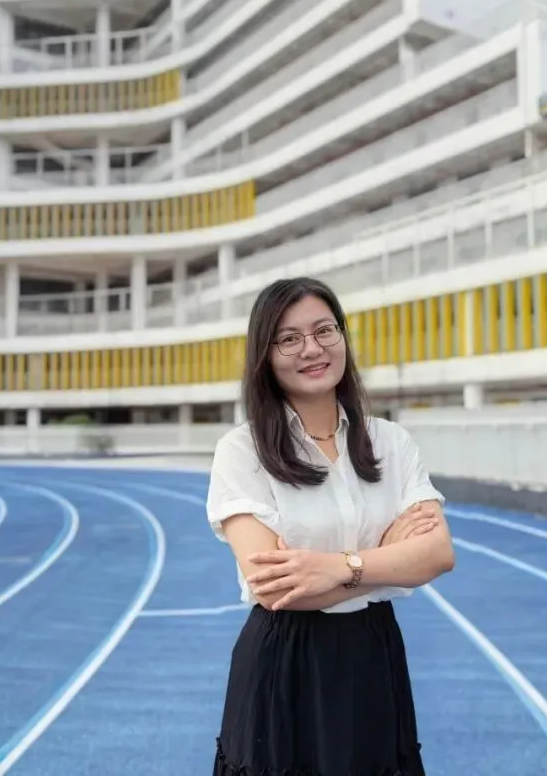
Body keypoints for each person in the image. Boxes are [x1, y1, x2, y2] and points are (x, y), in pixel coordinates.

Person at [205, 276, 456, 776]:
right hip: (284, 660)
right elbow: (277, 589)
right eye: (289, 338)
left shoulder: (391, 443)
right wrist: (388, 558)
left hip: (373, 653)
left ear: (342, 336)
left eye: (324, 330)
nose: (312, 349)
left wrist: (338, 567)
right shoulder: (242, 451)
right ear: (265, 355)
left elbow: (437, 555)